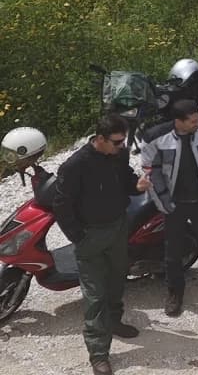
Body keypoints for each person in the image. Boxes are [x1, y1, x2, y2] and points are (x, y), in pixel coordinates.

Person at [53, 115, 150, 375]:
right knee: (95, 296)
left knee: (117, 280)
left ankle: (115, 322)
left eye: (123, 141)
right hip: (91, 237)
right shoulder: (75, 166)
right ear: (99, 139)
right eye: (117, 142)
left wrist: (138, 186)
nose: (122, 146)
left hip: (118, 229)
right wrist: (78, 237)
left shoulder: (117, 155)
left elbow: (127, 180)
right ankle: (99, 355)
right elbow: (61, 205)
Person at [140, 100, 198, 317]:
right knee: (172, 252)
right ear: (178, 121)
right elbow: (152, 171)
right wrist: (164, 202)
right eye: (193, 120)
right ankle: (174, 293)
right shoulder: (156, 138)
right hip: (174, 206)